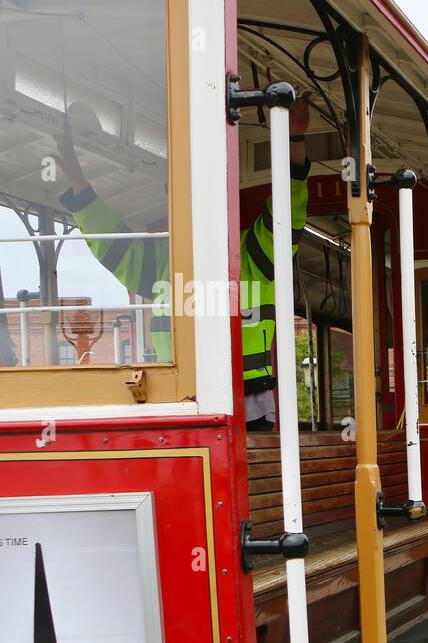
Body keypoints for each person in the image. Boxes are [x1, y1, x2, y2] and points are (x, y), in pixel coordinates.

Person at [56, 90, 314, 431]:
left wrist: (293, 138)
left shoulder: (252, 254)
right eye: (179, 194)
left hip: (248, 404)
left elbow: (287, 215)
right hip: (176, 399)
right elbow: (112, 246)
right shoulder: (164, 258)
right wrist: (79, 185)